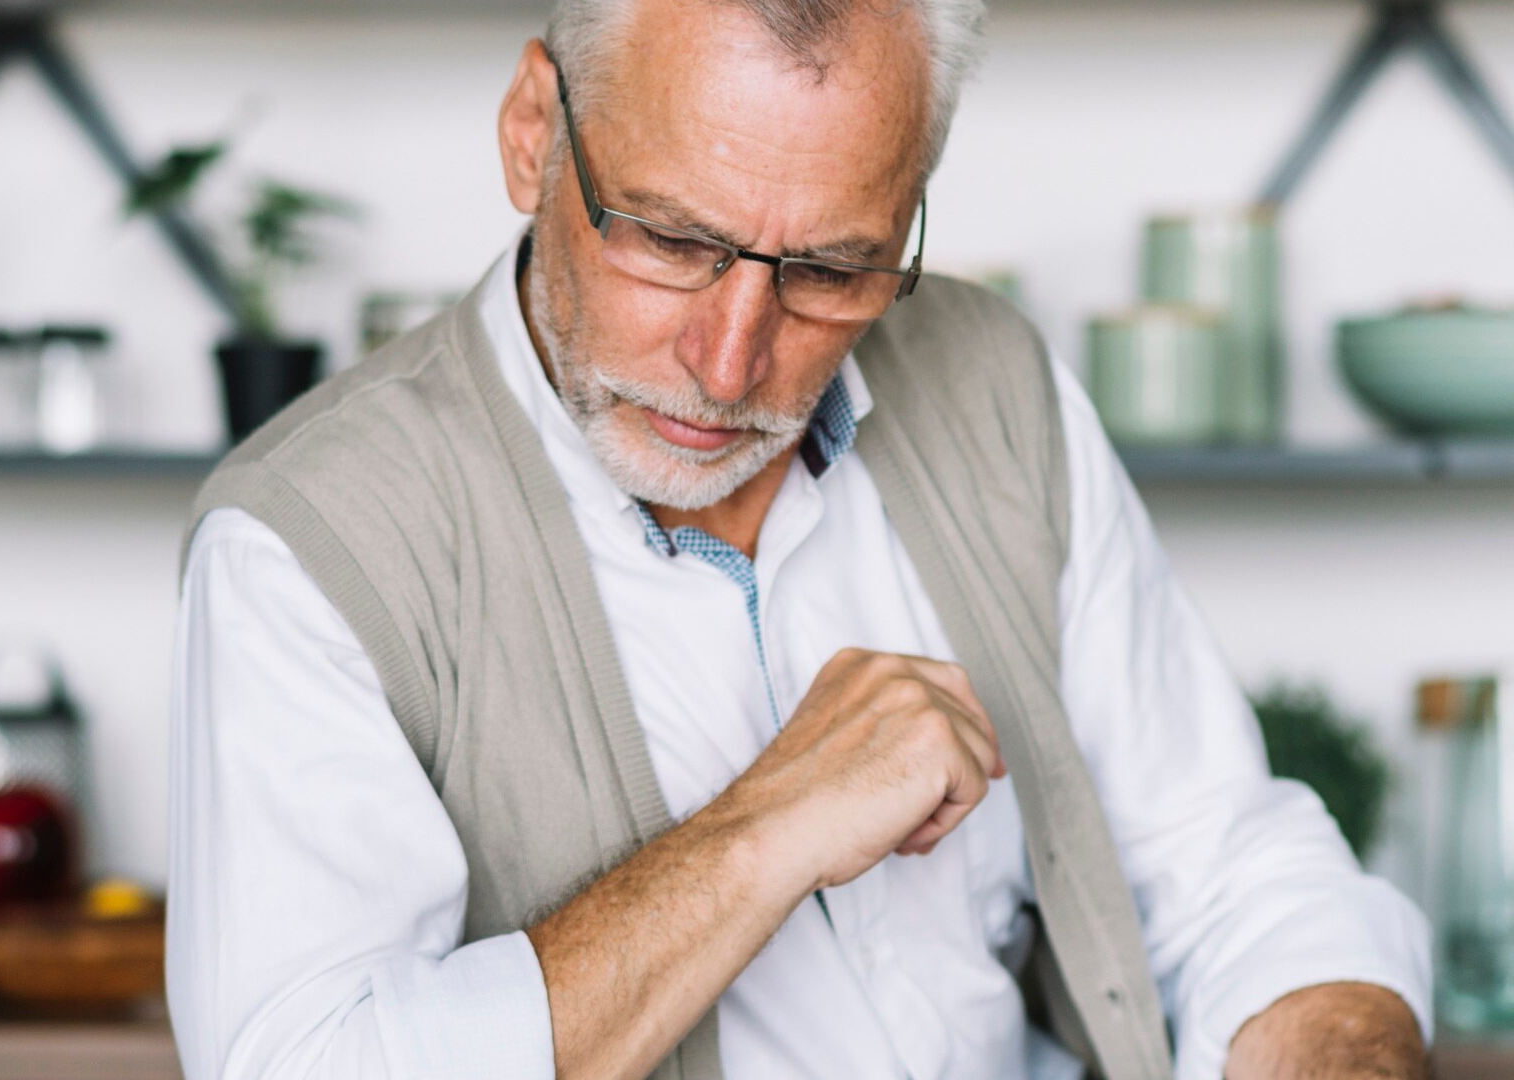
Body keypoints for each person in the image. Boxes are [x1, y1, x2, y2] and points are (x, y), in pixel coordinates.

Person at [166, 1, 1432, 1077]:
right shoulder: (306, 540)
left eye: (834, 268)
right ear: (533, 134)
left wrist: (1340, 1038)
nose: (729, 365)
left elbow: (1225, 867)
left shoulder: (994, 381)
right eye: (670, 241)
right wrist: (766, 830)